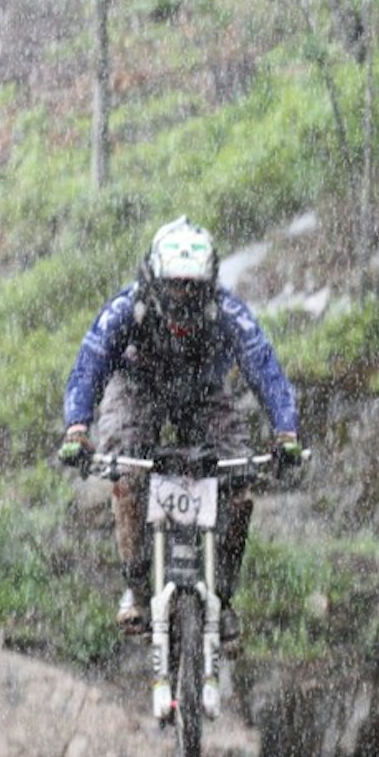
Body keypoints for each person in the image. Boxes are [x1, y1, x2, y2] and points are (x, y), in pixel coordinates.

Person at [59, 217, 302, 647]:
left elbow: (264, 366)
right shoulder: (126, 308)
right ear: (154, 279)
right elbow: (90, 363)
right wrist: (78, 426)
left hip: (202, 390)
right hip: (136, 385)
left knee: (240, 483)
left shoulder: (228, 312)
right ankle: (136, 585)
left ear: (209, 284)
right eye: (174, 286)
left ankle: (221, 598)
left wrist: (286, 432)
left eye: (192, 287)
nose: (183, 298)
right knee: (126, 473)